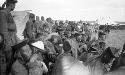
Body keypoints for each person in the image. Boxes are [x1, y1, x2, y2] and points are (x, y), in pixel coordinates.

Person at [0, 0, 18, 75]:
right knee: (4, 62)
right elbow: (3, 30)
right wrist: (7, 43)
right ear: (11, 4)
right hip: (6, 43)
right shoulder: (3, 13)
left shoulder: (8, 14)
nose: (15, 6)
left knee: (9, 62)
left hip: (11, 41)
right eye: (14, 4)